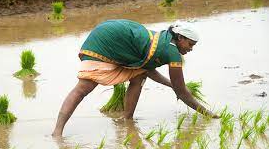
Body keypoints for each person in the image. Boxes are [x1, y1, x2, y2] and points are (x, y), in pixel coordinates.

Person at [52, 19, 219, 137]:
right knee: (83, 88)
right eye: (190, 44)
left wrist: (173, 87)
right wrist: (209, 114)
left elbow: (147, 70)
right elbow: (182, 92)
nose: (191, 49)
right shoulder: (171, 52)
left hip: (112, 33)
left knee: (138, 78)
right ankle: (57, 132)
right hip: (106, 41)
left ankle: (127, 119)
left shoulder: (164, 40)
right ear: (180, 38)